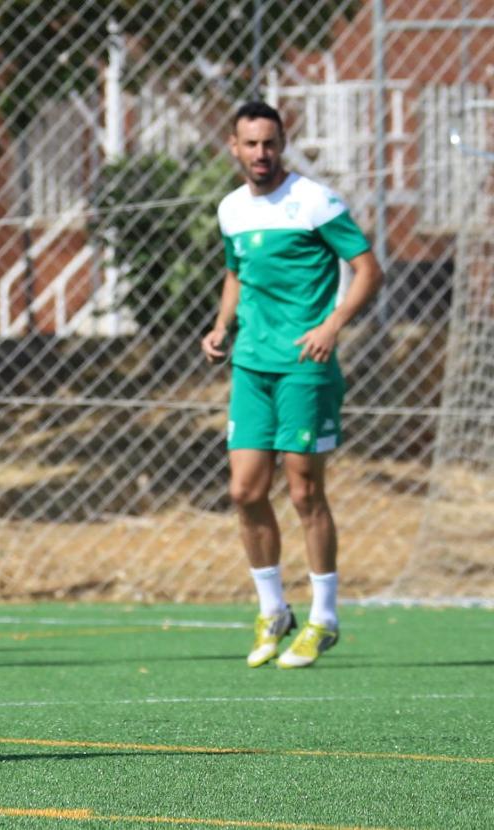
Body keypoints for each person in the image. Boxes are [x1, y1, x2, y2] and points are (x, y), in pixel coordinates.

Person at [201, 101, 383, 669]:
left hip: (305, 364)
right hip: (251, 366)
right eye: (251, 144)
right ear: (234, 147)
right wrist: (221, 326)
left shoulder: (314, 201)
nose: (261, 153)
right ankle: (273, 611)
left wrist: (332, 324)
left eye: (270, 143)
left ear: (282, 144)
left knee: (305, 492)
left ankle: (324, 618)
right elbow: (236, 271)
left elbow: (368, 269)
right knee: (245, 492)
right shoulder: (232, 209)